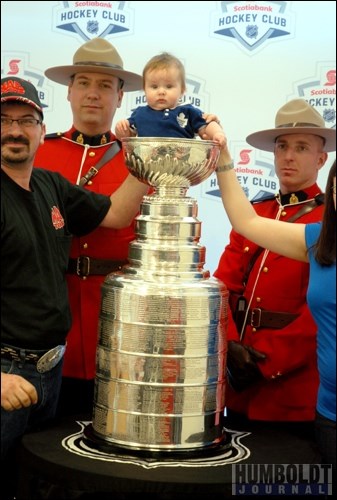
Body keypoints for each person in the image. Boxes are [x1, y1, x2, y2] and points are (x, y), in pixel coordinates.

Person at [34, 40, 219, 417]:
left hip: (122, 315)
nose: (92, 94)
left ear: (121, 97)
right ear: (68, 92)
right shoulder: (40, 153)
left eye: (105, 86)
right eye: (83, 82)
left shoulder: (148, 152)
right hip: (52, 311)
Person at [0, 76, 149, 498]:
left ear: (39, 130)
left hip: (48, 373)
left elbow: (117, 214)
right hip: (7, 376)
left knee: (29, 482)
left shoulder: (48, 184)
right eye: (4, 120)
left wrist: (148, 155)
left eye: (25, 120)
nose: (14, 130)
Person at [215, 147, 336, 486]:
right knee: (237, 482)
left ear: (321, 159)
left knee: (289, 484)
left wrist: (265, 363)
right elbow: (223, 286)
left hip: (291, 391)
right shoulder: (258, 210)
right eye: (282, 146)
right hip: (240, 384)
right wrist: (232, 345)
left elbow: (322, 313)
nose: (289, 156)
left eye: (302, 147)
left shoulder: (326, 220)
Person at [115, 51, 226, 146]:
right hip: (148, 168)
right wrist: (122, 130)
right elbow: (128, 136)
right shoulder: (139, 113)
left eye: (169, 86)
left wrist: (217, 134)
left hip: (182, 168)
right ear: (144, 89)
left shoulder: (188, 111)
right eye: (154, 87)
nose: (161, 92)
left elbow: (207, 126)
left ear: (182, 90)